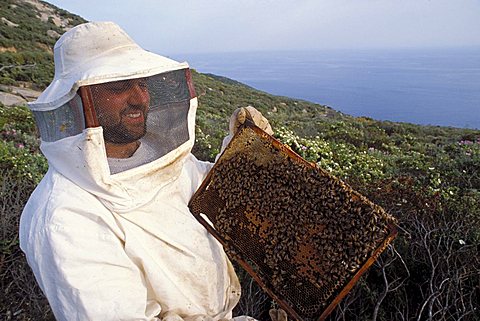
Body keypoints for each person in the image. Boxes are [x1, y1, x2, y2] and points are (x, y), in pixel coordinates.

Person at [19, 21, 277, 321]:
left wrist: (241, 155)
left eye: (142, 83)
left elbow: (209, 196)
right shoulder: (64, 218)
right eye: (118, 86)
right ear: (78, 102)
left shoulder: (159, 157)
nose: (140, 98)